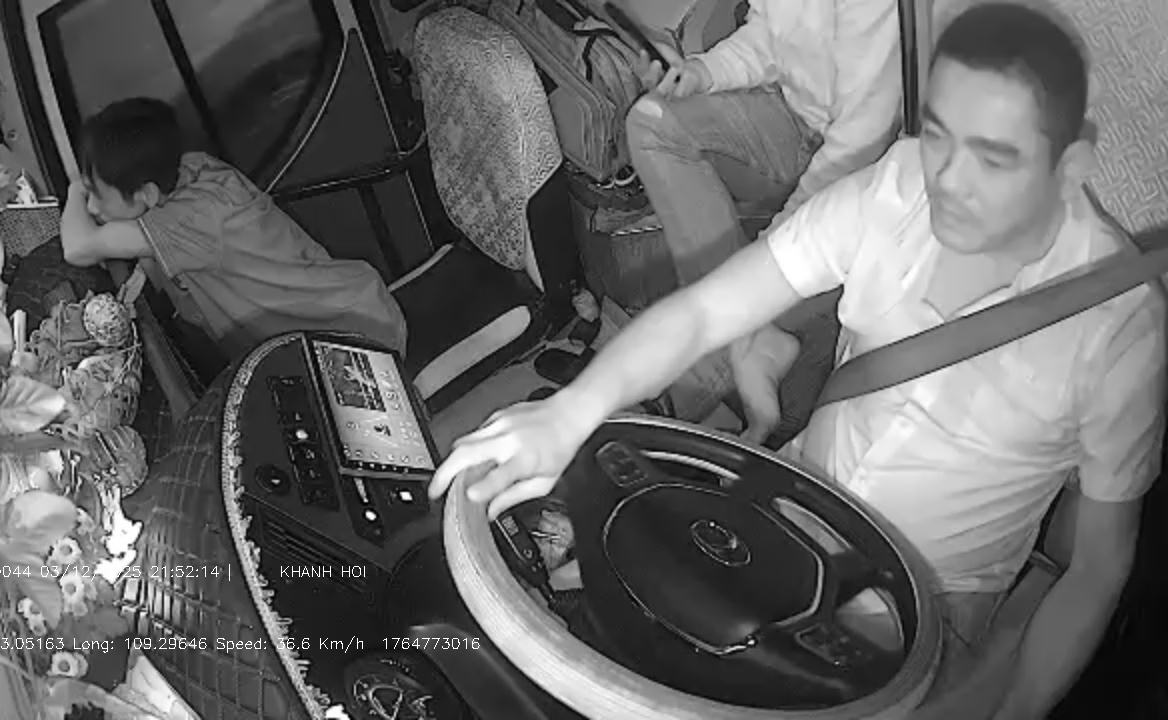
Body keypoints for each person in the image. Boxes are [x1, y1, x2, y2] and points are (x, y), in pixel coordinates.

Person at [430, 3, 1165, 717]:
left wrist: (1015, 706)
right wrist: (568, 414)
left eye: (995, 158)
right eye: (941, 135)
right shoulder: (897, 187)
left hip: (928, 611)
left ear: (1071, 165)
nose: (950, 182)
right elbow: (706, 312)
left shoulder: (1122, 327)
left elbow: (1098, 567)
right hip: (790, 503)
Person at [626, 0, 902, 436]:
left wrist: (767, 259)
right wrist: (700, 73)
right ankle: (737, 338)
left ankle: (711, 356)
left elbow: (860, 146)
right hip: (790, 112)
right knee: (650, 121)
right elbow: (768, 38)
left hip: (859, 160)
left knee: (757, 286)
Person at [60, 98, 408, 361]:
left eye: (97, 194)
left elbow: (77, 247)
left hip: (355, 338)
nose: (92, 208)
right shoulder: (191, 168)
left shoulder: (187, 221)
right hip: (346, 310)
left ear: (146, 194)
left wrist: (75, 188)